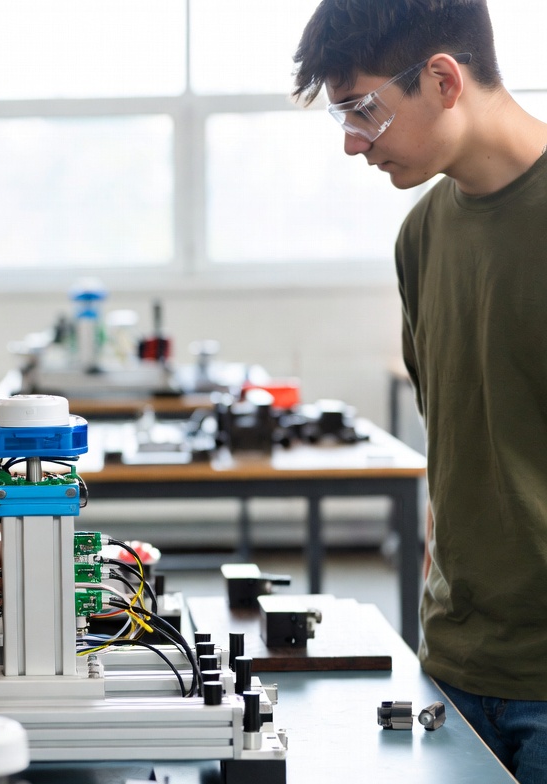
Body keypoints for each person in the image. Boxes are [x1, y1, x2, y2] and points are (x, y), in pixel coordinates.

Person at [293, 2, 547, 780]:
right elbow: (455, 442)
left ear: (443, 80)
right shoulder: (422, 234)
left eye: (363, 110)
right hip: (454, 661)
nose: (351, 141)